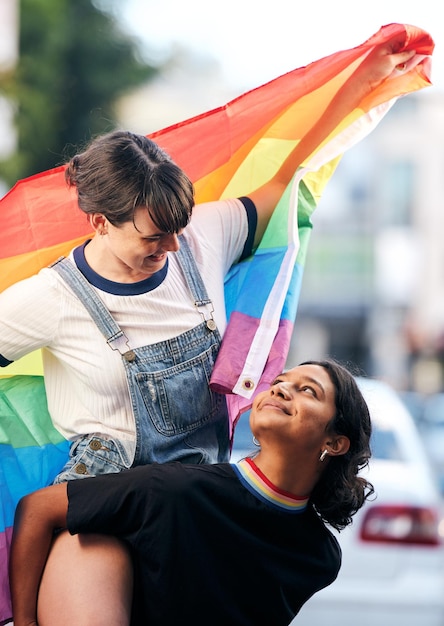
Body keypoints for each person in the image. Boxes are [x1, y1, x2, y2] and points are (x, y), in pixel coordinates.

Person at [0, 37, 415, 483]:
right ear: (101, 223)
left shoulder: (203, 237)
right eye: (154, 237)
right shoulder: (52, 297)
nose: (175, 247)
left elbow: (288, 179)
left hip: (201, 489)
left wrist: (361, 86)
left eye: (178, 229)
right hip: (104, 494)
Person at [10, 359, 373, 626]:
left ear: (335, 442)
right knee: (84, 538)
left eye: (307, 390)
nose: (279, 388)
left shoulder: (319, 557)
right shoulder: (175, 490)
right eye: (279, 380)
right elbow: (37, 508)